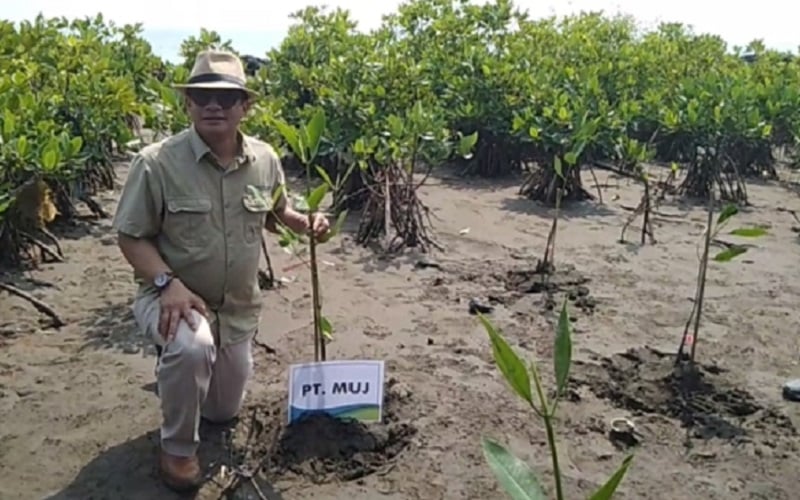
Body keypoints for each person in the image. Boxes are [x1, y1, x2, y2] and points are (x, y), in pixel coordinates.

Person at [112, 50, 330, 492]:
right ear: (187, 104)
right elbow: (130, 236)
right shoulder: (156, 163)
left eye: (227, 98)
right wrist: (166, 283)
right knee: (192, 347)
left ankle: (179, 379)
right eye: (202, 95)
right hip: (171, 298)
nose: (215, 105)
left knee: (223, 413)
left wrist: (304, 223)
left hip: (236, 311)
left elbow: (275, 211)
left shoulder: (265, 159)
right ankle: (176, 449)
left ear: (245, 107)